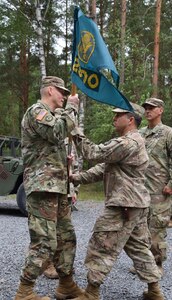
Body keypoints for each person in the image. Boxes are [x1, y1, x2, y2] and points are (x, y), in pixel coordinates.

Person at [70, 103, 164, 300]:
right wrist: (76, 178)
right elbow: (103, 168)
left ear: (130, 120)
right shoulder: (129, 143)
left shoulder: (128, 143)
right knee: (139, 248)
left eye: (118, 115)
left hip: (123, 206)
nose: (114, 118)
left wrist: (73, 129)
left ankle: (91, 293)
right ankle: (154, 291)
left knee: (102, 245)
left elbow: (93, 153)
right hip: (135, 205)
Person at [15, 76, 83, 300]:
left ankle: (66, 284)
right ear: (50, 90)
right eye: (61, 92)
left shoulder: (54, 115)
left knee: (66, 237)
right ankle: (25, 290)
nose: (64, 95)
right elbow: (56, 133)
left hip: (58, 187)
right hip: (43, 186)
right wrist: (72, 108)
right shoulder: (37, 111)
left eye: (66, 93)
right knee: (44, 241)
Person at [140, 98, 172, 273]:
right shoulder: (140, 132)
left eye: (151, 108)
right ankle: (145, 263)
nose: (147, 111)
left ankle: (157, 264)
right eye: (146, 108)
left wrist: (171, 183)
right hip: (140, 189)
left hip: (160, 189)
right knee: (141, 227)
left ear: (160, 110)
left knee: (157, 228)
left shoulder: (168, 133)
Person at [43, 136, 80, 280]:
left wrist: (74, 190)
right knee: (47, 229)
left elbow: (74, 168)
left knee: (64, 230)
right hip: (50, 189)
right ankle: (47, 264)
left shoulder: (69, 141)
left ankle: (61, 263)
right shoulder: (48, 136)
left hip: (65, 190)